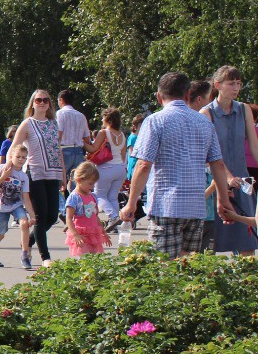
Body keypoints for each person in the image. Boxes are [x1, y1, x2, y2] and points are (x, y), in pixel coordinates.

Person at [122, 71, 232, 256]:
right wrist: (223, 200)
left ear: (159, 96)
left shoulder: (154, 121)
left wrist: (131, 203)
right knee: (187, 267)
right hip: (196, 207)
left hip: (166, 205)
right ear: (188, 94)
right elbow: (217, 164)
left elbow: (143, 165)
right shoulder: (204, 123)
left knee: (165, 268)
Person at [202, 65, 258, 256]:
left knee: (247, 241)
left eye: (239, 83)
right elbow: (209, 154)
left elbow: (254, 146)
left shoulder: (243, 110)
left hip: (242, 182)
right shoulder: (206, 113)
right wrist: (226, 177)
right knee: (211, 243)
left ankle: (247, 283)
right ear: (218, 85)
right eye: (231, 83)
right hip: (215, 182)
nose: (236, 87)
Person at [12, 89, 65, 266]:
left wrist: (64, 175)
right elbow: (15, 147)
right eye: (38, 100)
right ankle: (45, 257)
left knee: (51, 216)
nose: (42, 103)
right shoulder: (27, 124)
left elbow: (58, 150)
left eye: (45, 100)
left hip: (54, 173)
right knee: (41, 217)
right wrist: (10, 169)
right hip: (35, 173)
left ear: (50, 103)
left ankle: (28, 242)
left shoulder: (53, 124)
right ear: (33, 103)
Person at [0, 144, 35, 270]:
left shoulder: (24, 177)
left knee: (24, 223)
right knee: (0, 234)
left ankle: (25, 255)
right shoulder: (3, 168)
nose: (20, 159)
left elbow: (26, 198)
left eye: (23, 158)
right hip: (1, 207)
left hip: (16, 205)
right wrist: (3, 177)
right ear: (11, 156)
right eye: (18, 156)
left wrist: (32, 216)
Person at [87, 108, 127, 232]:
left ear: (108, 119)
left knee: (100, 196)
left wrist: (82, 143)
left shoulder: (104, 132)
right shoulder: (122, 135)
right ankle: (116, 225)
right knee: (113, 197)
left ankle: (114, 217)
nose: (102, 120)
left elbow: (93, 149)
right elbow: (123, 154)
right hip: (120, 168)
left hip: (105, 168)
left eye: (103, 118)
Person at [64, 161, 109, 256]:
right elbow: (68, 218)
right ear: (79, 180)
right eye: (90, 184)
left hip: (93, 235)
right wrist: (75, 235)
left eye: (93, 184)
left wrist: (103, 232)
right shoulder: (75, 197)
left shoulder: (93, 196)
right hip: (81, 235)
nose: (92, 187)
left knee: (95, 262)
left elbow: (95, 216)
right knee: (84, 262)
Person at [56, 89, 90, 192]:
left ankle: (59, 206)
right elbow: (87, 138)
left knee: (57, 182)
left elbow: (58, 134)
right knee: (76, 184)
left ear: (61, 100)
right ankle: (75, 205)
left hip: (64, 150)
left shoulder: (60, 114)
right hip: (78, 151)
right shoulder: (81, 116)